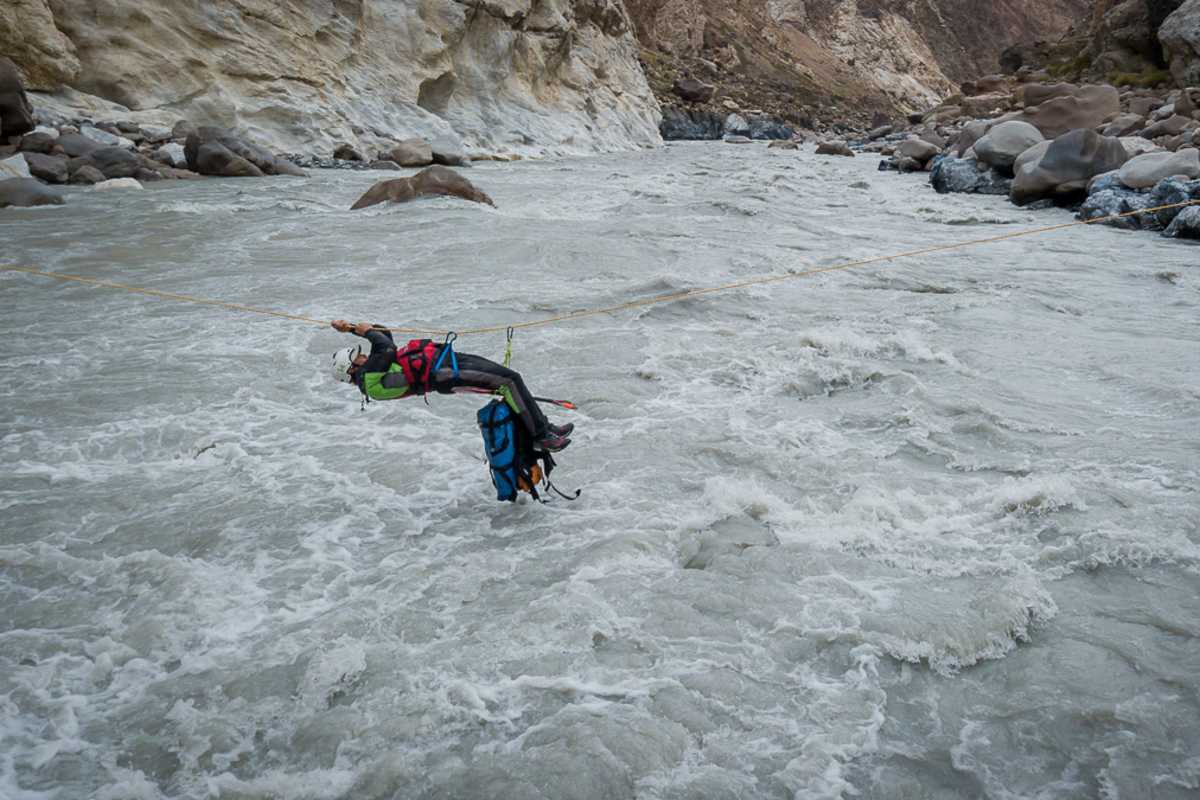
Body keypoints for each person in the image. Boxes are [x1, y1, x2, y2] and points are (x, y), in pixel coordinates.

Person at [329, 320, 572, 452]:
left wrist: (351, 328)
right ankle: (541, 437)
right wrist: (366, 333)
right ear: (351, 370)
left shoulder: (371, 369)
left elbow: (384, 334)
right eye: (356, 358)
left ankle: (544, 427)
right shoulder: (370, 381)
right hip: (444, 374)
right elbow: (385, 347)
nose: (362, 357)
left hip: (446, 362)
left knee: (511, 378)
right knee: (509, 382)